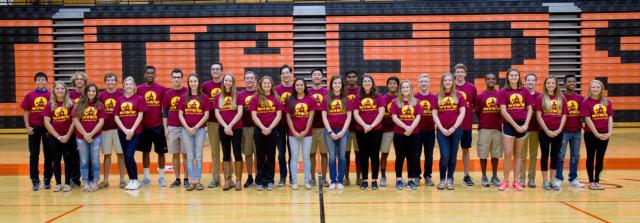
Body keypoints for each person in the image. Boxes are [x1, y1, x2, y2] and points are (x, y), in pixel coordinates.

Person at [498, 68, 533, 191]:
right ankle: (505, 181)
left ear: (519, 77)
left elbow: (529, 109)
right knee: (507, 153)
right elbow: (503, 111)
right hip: (509, 125)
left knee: (518, 154)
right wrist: (515, 126)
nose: (513, 77)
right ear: (508, 77)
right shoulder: (503, 91)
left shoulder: (524, 91)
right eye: (511, 75)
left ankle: (516, 181)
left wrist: (526, 125)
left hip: (522, 124)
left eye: (516, 75)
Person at [433, 73, 466, 190]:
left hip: (456, 130)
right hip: (442, 131)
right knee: (445, 155)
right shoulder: (437, 96)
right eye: (445, 80)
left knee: (453, 155)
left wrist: (453, 128)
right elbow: (434, 114)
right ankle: (442, 179)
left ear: (452, 82)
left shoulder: (459, 96)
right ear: (442, 82)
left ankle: (450, 179)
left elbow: (462, 113)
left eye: (449, 80)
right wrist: (441, 128)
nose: (447, 82)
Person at [250, 76, 284, 191]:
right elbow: (254, 115)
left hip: (272, 130)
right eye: (264, 83)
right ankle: (259, 180)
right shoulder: (255, 98)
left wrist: (269, 128)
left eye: (268, 83)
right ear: (260, 85)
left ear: (271, 85)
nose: (266, 85)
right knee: (260, 156)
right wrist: (263, 127)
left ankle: (270, 180)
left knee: (270, 156)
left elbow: (279, 115)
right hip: (259, 130)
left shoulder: (276, 97)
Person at [136, 66, 168, 187]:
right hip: (143, 126)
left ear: (155, 75)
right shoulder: (138, 89)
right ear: (144, 75)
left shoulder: (162, 89)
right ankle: (146, 177)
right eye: (148, 73)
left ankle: (161, 177)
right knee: (145, 152)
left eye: (152, 73)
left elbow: (165, 108)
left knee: (161, 153)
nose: (150, 75)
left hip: (158, 126)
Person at [114, 76, 147, 190]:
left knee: (129, 155)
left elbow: (140, 116)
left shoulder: (139, 99)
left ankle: (135, 180)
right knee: (126, 157)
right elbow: (116, 116)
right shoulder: (120, 99)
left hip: (135, 132)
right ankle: (131, 180)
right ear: (123, 86)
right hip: (122, 132)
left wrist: (131, 130)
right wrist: (125, 130)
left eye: (130, 84)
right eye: (126, 84)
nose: (128, 86)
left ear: (134, 86)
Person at [353, 75, 385, 190]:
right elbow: (356, 114)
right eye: (365, 81)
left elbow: (381, 113)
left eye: (369, 81)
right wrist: (364, 125)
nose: (367, 83)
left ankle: (374, 180)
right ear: (362, 84)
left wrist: (371, 125)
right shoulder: (358, 97)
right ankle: (365, 179)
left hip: (376, 130)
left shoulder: (379, 96)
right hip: (361, 130)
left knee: (374, 154)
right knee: (363, 155)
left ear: (372, 83)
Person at [535, 76, 567, 190]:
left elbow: (564, 115)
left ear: (556, 85)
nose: (550, 85)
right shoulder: (540, 98)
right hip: (544, 131)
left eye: (553, 83)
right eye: (548, 83)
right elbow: (538, 116)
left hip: (558, 131)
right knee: (545, 155)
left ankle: (553, 181)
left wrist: (559, 129)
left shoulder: (561, 98)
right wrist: (547, 130)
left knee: (555, 156)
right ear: (545, 85)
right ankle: (545, 181)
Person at [179, 74, 210, 191]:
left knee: (198, 155)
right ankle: (191, 181)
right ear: (188, 83)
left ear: (198, 83)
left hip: (200, 129)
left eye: (195, 81)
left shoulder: (204, 97)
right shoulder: (183, 97)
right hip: (186, 130)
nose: (193, 83)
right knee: (190, 155)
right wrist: (187, 128)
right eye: (191, 81)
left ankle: (198, 181)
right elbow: (180, 115)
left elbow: (206, 115)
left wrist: (196, 127)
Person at [72, 83, 105, 192]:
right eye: (89, 91)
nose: (91, 93)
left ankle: (95, 181)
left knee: (95, 160)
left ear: (96, 93)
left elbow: (101, 121)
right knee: (84, 160)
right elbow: (75, 120)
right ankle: (85, 181)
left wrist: (91, 134)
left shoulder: (99, 105)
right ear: (86, 92)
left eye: (93, 91)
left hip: (95, 137)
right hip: (81, 137)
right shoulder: (78, 105)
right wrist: (85, 134)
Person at [43, 81, 76, 192]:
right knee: (56, 160)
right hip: (54, 137)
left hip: (68, 136)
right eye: (58, 88)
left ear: (65, 91)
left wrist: (67, 135)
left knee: (68, 160)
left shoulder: (71, 104)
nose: (60, 90)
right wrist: (57, 136)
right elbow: (47, 122)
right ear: (54, 90)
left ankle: (67, 183)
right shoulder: (49, 105)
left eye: (62, 88)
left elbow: (74, 121)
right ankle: (58, 183)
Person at [21, 72, 51, 191]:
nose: (40, 82)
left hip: (47, 128)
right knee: (34, 154)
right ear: (35, 81)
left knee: (48, 155)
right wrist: (28, 127)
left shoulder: (51, 95)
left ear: (46, 81)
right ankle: (35, 179)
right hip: (34, 127)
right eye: (38, 80)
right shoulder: (30, 95)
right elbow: (26, 112)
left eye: (43, 80)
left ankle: (47, 178)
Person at [581, 80, 613, 190]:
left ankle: (597, 180)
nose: (595, 89)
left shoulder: (607, 102)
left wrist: (609, 132)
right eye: (593, 87)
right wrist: (596, 133)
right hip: (591, 134)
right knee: (590, 157)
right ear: (590, 89)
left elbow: (610, 118)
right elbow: (588, 119)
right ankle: (591, 181)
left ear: (601, 89)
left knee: (600, 158)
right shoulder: (586, 102)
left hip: (604, 134)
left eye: (597, 87)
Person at [285, 78, 317, 190]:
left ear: (305, 86)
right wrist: (293, 131)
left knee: (306, 157)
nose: (299, 87)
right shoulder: (290, 100)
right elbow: (288, 117)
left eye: (301, 85)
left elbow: (311, 117)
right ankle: (294, 181)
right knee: (293, 157)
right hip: (292, 133)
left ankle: (307, 181)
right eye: (297, 85)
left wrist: (305, 131)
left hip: (307, 134)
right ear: (295, 87)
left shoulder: (311, 99)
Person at [322, 75, 352, 190]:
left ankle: (340, 180)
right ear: (331, 85)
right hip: (330, 131)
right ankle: (333, 180)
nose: (337, 85)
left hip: (343, 131)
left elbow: (349, 116)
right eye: (335, 83)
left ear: (342, 85)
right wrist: (330, 132)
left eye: (339, 83)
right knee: (332, 157)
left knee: (342, 156)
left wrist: (343, 132)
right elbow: (324, 117)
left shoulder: (346, 98)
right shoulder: (326, 98)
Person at [391, 80, 422, 190]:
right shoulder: (395, 102)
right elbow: (394, 117)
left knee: (412, 157)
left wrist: (411, 128)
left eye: (407, 87)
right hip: (400, 133)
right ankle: (399, 179)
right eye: (403, 87)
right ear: (400, 89)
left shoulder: (416, 102)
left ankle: (410, 180)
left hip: (414, 134)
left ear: (410, 89)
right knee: (400, 157)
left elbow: (418, 116)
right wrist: (406, 127)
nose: (405, 89)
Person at [215, 74, 244, 191]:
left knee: (237, 153)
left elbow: (240, 112)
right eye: (226, 80)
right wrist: (225, 126)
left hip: (236, 128)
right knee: (226, 153)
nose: (228, 82)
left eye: (230, 80)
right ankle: (228, 180)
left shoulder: (239, 95)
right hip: (223, 128)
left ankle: (238, 181)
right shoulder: (218, 96)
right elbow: (217, 113)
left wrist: (231, 125)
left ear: (233, 82)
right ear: (223, 82)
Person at [556, 74, 585, 188]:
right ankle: (558, 178)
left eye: (573, 81)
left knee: (575, 155)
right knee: (560, 155)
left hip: (577, 131)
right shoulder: (561, 97)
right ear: (564, 83)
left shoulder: (580, 98)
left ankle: (573, 178)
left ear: (576, 83)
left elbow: (584, 116)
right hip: (564, 131)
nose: (571, 83)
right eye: (569, 82)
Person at [98, 73, 126, 189]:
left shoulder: (121, 94)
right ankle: (105, 180)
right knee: (107, 155)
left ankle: (122, 179)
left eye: (112, 80)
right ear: (105, 82)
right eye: (108, 80)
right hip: (105, 129)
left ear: (116, 82)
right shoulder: (100, 95)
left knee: (120, 154)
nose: (110, 82)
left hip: (119, 128)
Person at [162, 69, 189, 188]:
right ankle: (177, 178)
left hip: (185, 128)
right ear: (171, 79)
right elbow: (164, 112)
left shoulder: (187, 92)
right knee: (175, 154)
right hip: (172, 127)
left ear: (182, 78)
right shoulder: (168, 94)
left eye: (179, 77)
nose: (176, 79)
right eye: (174, 77)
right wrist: (165, 128)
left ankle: (186, 178)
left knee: (185, 154)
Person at [474, 73, 503, 187]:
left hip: (498, 128)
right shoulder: (480, 96)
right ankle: (484, 176)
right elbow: (477, 111)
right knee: (483, 154)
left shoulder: (500, 94)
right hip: (484, 128)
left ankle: (494, 176)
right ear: (485, 80)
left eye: (493, 79)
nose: (491, 80)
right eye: (488, 79)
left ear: (496, 81)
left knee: (495, 154)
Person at [453, 64, 477, 186]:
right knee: (451, 151)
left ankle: (466, 175)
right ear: (455, 73)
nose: (460, 74)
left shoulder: (472, 88)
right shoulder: (450, 86)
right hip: (452, 125)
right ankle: (449, 176)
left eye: (462, 72)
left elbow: (474, 105)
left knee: (466, 149)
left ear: (466, 73)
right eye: (458, 72)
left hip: (466, 125)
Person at [414, 73, 438, 186]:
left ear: (429, 83)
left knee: (429, 155)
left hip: (429, 130)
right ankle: (416, 176)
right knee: (416, 154)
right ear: (418, 84)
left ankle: (428, 176)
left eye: (425, 81)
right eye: (421, 81)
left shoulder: (434, 98)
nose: (423, 83)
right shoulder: (414, 98)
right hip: (417, 131)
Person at [307, 68, 330, 187]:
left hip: (323, 128)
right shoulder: (307, 92)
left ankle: (324, 178)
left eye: (319, 74)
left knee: (324, 154)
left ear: (322, 77)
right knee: (311, 154)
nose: (316, 76)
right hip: (310, 128)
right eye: (314, 74)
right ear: (311, 77)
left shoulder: (327, 92)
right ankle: (312, 178)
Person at [203, 63, 224, 188]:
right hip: (212, 122)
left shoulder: (227, 83)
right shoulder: (205, 86)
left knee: (228, 152)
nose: (215, 71)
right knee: (215, 152)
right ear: (211, 71)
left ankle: (229, 178)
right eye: (213, 69)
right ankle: (215, 178)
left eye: (217, 69)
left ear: (222, 71)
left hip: (227, 123)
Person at [275, 65, 294, 187]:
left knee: (292, 152)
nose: (286, 75)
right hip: (279, 124)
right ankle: (282, 177)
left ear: (291, 74)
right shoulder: (276, 89)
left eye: (287, 72)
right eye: (283, 73)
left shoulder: (296, 87)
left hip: (293, 124)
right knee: (281, 152)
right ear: (281, 75)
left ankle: (293, 177)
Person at [238, 71, 257, 188]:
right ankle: (250, 177)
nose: (249, 80)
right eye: (247, 78)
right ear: (244, 80)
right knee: (248, 154)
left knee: (259, 154)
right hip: (245, 128)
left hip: (258, 127)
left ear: (255, 80)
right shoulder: (240, 95)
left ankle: (259, 176)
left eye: (251, 78)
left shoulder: (260, 94)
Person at [520, 73, 539, 188]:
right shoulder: (521, 94)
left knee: (533, 154)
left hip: (535, 129)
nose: (530, 82)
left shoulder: (540, 96)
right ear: (525, 82)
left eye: (533, 80)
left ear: (536, 82)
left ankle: (531, 178)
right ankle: (521, 178)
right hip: (522, 129)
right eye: (528, 80)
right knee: (522, 155)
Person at [68, 71, 87, 186]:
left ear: (85, 81)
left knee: (85, 156)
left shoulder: (88, 93)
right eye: (77, 79)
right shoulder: (69, 95)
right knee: (73, 156)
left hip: (85, 129)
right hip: (72, 129)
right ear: (74, 82)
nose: (79, 81)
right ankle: (74, 178)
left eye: (81, 79)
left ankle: (88, 178)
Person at [379, 76, 399, 187]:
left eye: (394, 83)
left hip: (399, 130)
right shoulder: (383, 98)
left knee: (399, 155)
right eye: (390, 83)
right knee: (384, 154)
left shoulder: (401, 98)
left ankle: (399, 177)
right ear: (387, 85)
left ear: (397, 85)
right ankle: (383, 176)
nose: (392, 85)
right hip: (386, 130)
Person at [344, 70, 361, 185]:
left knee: (358, 154)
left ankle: (359, 177)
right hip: (345, 128)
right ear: (346, 79)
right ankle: (346, 178)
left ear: (357, 78)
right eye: (349, 77)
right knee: (345, 155)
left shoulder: (361, 91)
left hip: (358, 128)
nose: (351, 79)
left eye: (353, 77)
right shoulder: (342, 91)